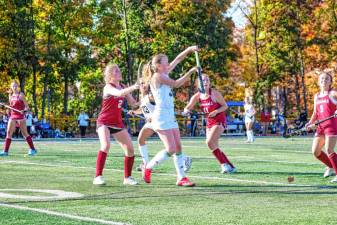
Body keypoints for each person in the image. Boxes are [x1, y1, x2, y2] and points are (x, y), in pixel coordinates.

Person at [142, 46, 198, 187]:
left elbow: (178, 59)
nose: (169, 65)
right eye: (166, 63)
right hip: (160, 116)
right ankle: (148, 167)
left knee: (178, 147)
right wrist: (191, 71)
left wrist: (190, 50)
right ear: (158, 66)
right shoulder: (158, 76)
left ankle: (181, 177)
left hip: (169, 115)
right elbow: (176, 83)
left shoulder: (164, 72)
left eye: (168, 63)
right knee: (171, 148)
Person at [129, 80, 192, 173]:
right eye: (141, 83)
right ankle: (145, 163)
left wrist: (180, 112)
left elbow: (162, 105)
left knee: (170, 147)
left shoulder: (151, 96)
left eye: (144, 83)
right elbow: (144, 109)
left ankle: (185, 159)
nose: (143, 85)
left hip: (159, 122)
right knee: (140, 139)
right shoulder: (143, 97)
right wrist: (135, 112)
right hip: (151, 123)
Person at [93, 63, 140, 186]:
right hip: (104, 121)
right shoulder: (108, 87)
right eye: (115, 71)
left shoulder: (123, 86)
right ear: (109, 75)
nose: (119, 72)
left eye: (119, 70)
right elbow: (119, 94)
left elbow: (134, 104)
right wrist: (134, 86)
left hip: (117, 123)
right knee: (105, 145)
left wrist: (146, 95)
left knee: (130, 149)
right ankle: (98, 176)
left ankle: (127, 178)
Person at [184, 74, 236, 174]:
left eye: (207, 80)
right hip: (210, 122)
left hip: (219, 120)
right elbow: (188, 107)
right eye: (203, 81)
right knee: (213, 145)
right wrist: (186, 111)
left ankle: (224, 165)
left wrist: (216, 111)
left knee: (209, 142)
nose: (206, 82)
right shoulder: (197, 96)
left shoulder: (215, 93)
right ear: (199, 84)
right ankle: (231, 166)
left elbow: (225, 106)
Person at [305, 71, 337, 182]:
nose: (324, 80)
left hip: (332, 126)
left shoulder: (333, 93)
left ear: (330, 82)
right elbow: (315, 113)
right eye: (322, 79)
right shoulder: (317, 96)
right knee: (315, 151)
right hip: (321, 126)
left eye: (327, 79)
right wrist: (310, 123)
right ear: (319, 82)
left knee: (329, 149)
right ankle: (331, 166)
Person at [0, 81, 37, 156]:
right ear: (11, 87)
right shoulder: (10, 95)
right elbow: (11, 107)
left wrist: (24, 110)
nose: (14, 87)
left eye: (15, 86)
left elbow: (27, 107)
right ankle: (5, 151)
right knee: (9, 133)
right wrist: (5, 106)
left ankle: (33, 149)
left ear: (18, 86)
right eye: (13, 86)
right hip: (13, 116)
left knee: (24, 133)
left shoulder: (21, 95)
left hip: (20, 116)